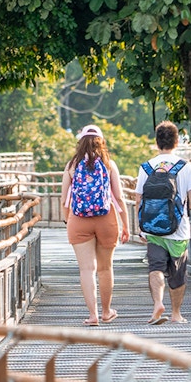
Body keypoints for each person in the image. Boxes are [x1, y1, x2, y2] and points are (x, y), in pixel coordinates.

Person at [134, 121, 191, 325]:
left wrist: (140, 227)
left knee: (155, 268)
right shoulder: (186, 167)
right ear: (177, 142)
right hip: (179, 230)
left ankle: (157, 303)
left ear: (157, 142)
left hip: (153, 229)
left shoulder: (146, 167)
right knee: (177, 275)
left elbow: (139, 200)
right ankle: (176, 314)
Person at [60, 124, 130, 326]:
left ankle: (93, 316)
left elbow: (64, 198)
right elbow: (119, 197)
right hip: (106, 218)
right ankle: (107, 312)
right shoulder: (109, 164)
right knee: (105, 268)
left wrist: (68, 220)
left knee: (86, 270)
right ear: (101, 142)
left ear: (80, 142)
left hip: (79, 219)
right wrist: (125, 224)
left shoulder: (72, 165)